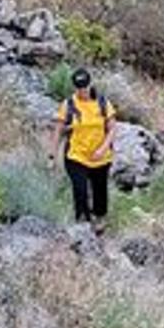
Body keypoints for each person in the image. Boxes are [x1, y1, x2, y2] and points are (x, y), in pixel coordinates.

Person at [53, 68, 116, 223]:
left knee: (99, 191)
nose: (83, 91)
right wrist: (52, 155)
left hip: (100, 156)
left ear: (90, 84)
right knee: (80, 190)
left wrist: (102, 149)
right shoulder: (68, 105)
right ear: (74, 87)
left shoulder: (102, 103)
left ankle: (100, 218)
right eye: (79, 88)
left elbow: (112, 128)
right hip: (76, 155)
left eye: (85, 87)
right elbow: (58, 131)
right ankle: (83, 224)